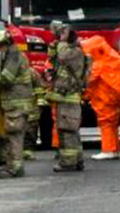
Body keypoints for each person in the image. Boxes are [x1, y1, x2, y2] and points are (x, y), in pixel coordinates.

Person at [82, 34, 120, 161]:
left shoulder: (98, 66)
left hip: (110, 102)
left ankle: (109, 150)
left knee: (107, 124)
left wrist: (83, 95)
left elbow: (90, 83)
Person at [0, 29, 34, 178]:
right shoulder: (8, 54)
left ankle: (15, 167)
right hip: (10, 103)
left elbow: (7, 78)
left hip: (16, 103)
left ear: (3, 43)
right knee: (4, 131)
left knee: (14, 133)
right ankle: (7, 162)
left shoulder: (14, 56)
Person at [46, 25, 85, 172]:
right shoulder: (70, 50)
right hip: (65, 98)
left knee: (67, 130)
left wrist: (61, 42)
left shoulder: (75, 52)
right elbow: (53, 57)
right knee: (70, 131)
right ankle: (77, 160)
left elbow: (62, 55)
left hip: (69, 98)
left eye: (63, 33)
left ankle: (68, 162)